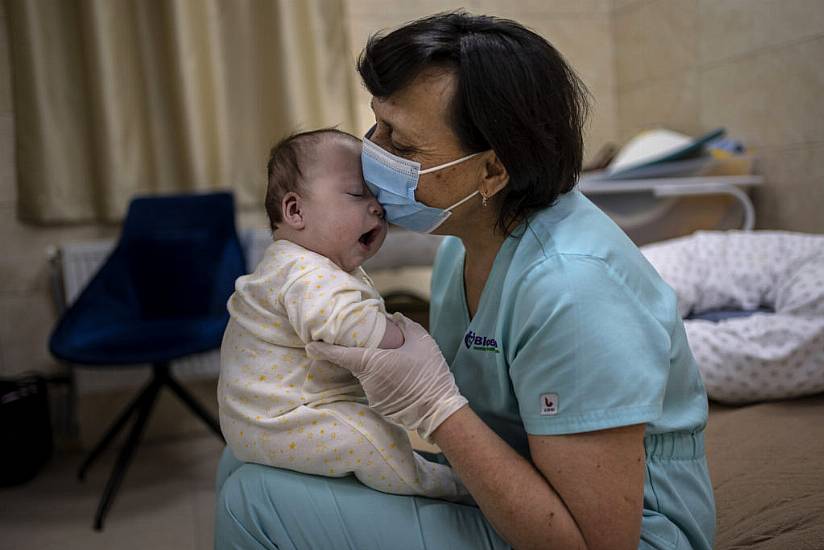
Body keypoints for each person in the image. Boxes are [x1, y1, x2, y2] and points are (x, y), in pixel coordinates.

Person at [215, 12, 716, 550]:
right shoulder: (463, 246)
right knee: (252, 450)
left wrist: (435, 408)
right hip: (523, 483)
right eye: (376, 125)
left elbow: (597, 543)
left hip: (630, 538)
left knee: (254, 501)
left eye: (402, 147)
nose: (371, 156)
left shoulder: (573, 293)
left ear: (492, 173)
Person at [217, 129, 467, 501]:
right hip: (286, 418)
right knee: (368, 435)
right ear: (296, 210)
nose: (377, 208)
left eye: (378, 198)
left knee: (375, 419)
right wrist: (402, 336)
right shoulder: (305, 272)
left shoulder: (296, 264)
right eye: (356, 194)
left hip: (262, 418)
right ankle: (436, 486)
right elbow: (354, 328)